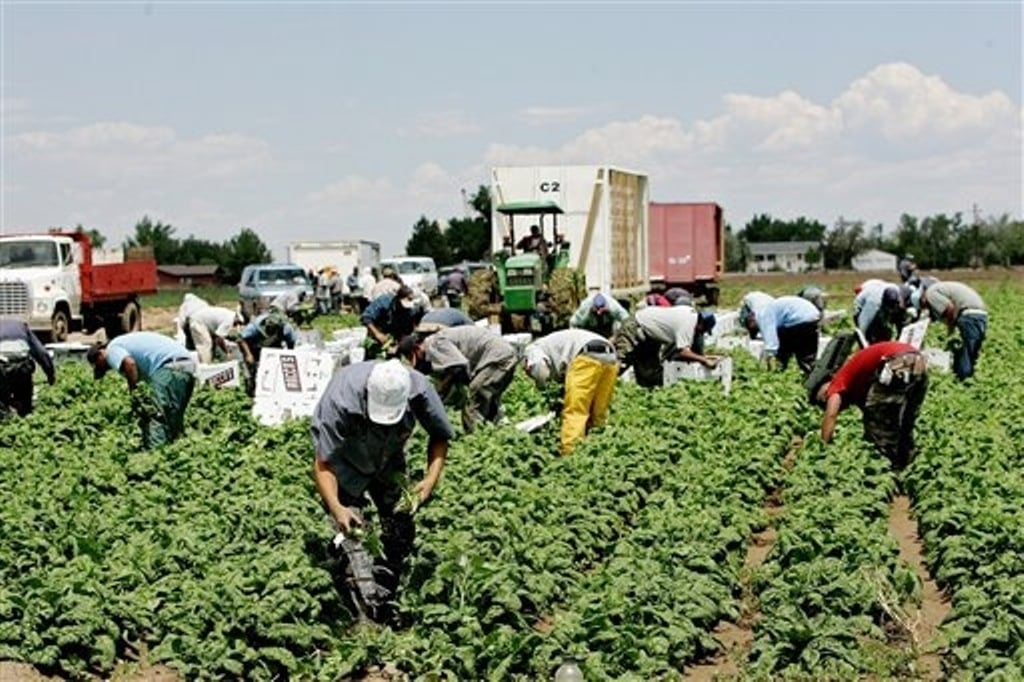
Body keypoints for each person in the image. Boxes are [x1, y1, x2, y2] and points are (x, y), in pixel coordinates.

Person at [311, 359, 454, 619]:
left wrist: (430, 480)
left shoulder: (420, 389)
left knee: (400, 525)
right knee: (352, 535)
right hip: (347, 462)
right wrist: (337, 507)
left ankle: (391, 590)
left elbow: (440, 435)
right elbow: (323, 463)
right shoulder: (340, 400)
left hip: (389, 458)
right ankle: (364, 609)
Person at [808, 341, 928, 469]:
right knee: (906, 420)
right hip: (917, 361)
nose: (825, 403)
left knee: (879, 424)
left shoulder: (835, 386)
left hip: (896, 363)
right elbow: (867, 402)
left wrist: (823, 449)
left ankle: (885, 466)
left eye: (822, 401)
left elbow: (831, 415)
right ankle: (908, 462)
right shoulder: (856, 384)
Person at [398, 326, 517, 433]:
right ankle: (498, 433)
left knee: (473, 399)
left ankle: (475, 440)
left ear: (417, 349)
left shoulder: (435, 345)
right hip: (503, 355)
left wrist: (443, 388)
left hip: (498, 357)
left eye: (410, 357)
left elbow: (459, 366)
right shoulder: (435, 343)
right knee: (486, 402)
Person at [87, 332, 196, 449]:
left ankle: (155, 458)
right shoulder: (126, 344)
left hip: (168, 368)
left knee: (154, 415)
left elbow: (130, 364)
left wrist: (134, 395)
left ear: (100, 355)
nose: (106, 369)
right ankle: (180, 452)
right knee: (174, 417)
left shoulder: (111, 350)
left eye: (99, 366)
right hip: (187, 366)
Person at [522, 329, 619, 455]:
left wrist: (541, 387)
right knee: (598, 412)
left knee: (576, 411)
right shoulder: (551, 345)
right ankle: (599, 448)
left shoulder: (532, 349)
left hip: (586, 357)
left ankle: (570, 455)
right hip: (610, 357)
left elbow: (539, 369)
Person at [613, 306, 718, 387]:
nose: (701, 333)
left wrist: (702, 357)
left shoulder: (692, 316)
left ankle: (647, 398)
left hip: (650, 335)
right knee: (621, 363)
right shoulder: (688, 323)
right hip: (635, 326)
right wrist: (704, 360)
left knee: (650, 374)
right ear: (701, 325)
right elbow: (683, 351)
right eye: (703, 331)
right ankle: (606, 392)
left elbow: (691, 347)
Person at [919, 280, 987, 381]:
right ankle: (967, 376)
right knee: (972, 349)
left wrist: (950, 328)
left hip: (969, 314)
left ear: (923, 298)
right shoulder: (940, 288)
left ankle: (963, 380)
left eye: (924, 306)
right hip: (981, 313)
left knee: (968, 350)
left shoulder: (930, 293)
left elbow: (950, 309)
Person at [744, 295, 822, 374]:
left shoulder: (762, 316)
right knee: (808, 357)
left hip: (799, 319)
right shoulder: (770, 309)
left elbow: (771, 343)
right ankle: (816, 378)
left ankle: (779, 372)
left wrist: (769, 359)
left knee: (790, 354)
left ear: (752, 321)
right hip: (812, 316)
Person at [0, 319, 56, 418]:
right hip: (23, 369)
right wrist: (50, 375)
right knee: (25, 406)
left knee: (3, 406)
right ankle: (25, 417)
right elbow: (41, 353)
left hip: (2, 370)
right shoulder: (23, 328)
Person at [236, 309, 298, 395]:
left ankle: (273, 388)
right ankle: (251, 390)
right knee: (251, 368)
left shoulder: (286, 329)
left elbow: (291, 342)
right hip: (254, 346)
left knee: (274, 368)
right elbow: (240, 339)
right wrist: (248, 354)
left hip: (273, 346)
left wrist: (289, 355)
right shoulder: (254, 327)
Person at [360, 286, 418, 359]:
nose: (404, 308)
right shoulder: (384, 301)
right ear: (397, 299)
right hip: (376, 332)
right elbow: (366, 317)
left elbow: (407, 332)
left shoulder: (410, 311)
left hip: (392, 337)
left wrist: (397, 347)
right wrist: (377, 334)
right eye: (402, 305)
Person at [853, 279, 908, 344]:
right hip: (861, 308)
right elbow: (862, 327)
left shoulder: (896, 291)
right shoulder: (873, 306)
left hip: (876, 290)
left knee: (886, 330)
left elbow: (900, 317)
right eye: (889, 309)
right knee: (871, 333)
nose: (891, 311)